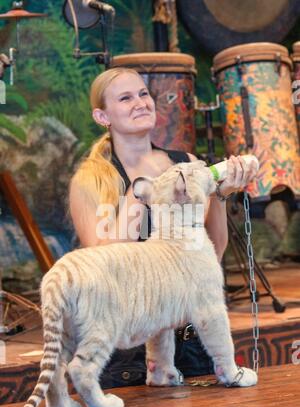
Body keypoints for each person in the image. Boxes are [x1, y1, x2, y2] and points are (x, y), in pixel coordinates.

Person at [69, 67, 258, 388]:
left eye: (143, 94)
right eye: (126, 98)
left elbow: (213, 250)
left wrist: (221, 196)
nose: (140, 102)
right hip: (126, 343)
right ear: (102, 116)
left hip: (186, 332)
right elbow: (104, 268)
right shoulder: (90, 180)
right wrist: (140, 193)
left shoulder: (183, 161)